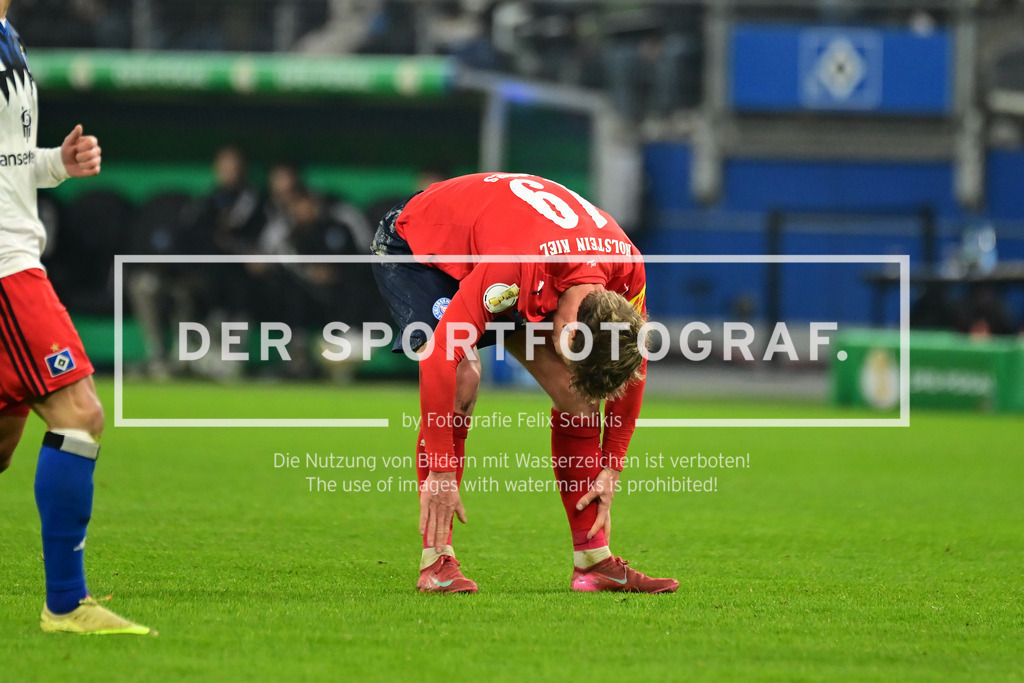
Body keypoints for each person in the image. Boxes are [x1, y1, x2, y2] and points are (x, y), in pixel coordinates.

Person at [371, 172, 678, 594]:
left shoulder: (627, 272)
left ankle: (593, 561)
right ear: (568, 329)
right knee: (463, 375)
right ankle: (436, 561)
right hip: (421, 248)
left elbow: (635, 364)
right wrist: (441, 470)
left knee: (579, 399)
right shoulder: (512, 267)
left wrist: (612, 464)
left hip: (520, 256)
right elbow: (441, 355)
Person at [0, 2, 151, 634]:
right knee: (80, 412)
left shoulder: (8, 35)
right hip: (5, 266)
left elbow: (7, 160)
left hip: (17, 252)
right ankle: (66, 603)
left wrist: (56, 163)